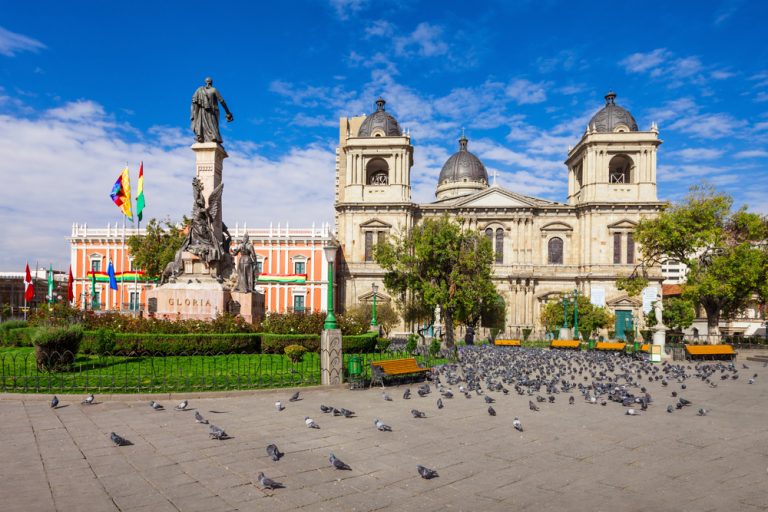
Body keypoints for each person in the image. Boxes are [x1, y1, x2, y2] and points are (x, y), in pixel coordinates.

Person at [191, 77, 233, 143]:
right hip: (212, 111)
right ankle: (213, 137)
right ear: (212, 82)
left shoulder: (200, 90)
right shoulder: (214, 90)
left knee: (205, 125)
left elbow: (194, 102)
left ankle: (201, 136)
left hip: (203, 112)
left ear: (205, 82)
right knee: (213, 127)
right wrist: (228, 112)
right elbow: (222, 101)